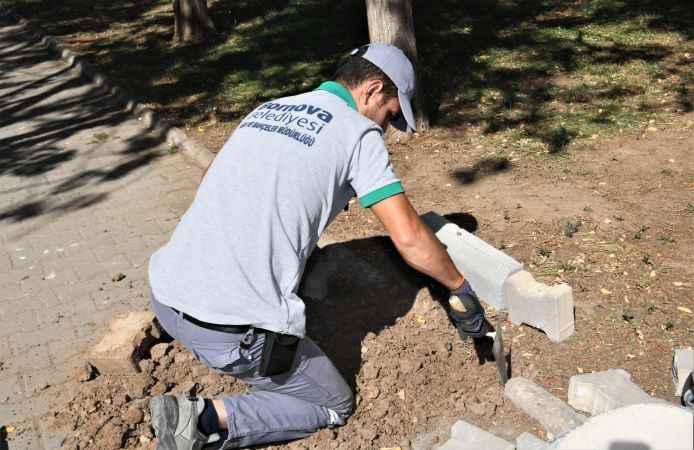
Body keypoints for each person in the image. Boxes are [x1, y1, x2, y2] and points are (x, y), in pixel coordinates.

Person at [147, 43, 490, 450]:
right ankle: (200, 419)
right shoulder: (357, 133)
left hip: (166, 294)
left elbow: (222, 191)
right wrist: (459, 286)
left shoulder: (270, 108)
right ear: (374, 89)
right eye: (390, 114)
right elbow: (411, 237)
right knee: (332, 403)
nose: (385, 128)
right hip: (227, 327)